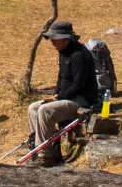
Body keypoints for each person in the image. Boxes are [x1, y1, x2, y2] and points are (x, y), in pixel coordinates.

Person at [27, 21, 100, 166]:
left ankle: (45, 156)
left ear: (66, 39)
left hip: (82, 100)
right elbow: (61, 78)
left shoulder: (78, 55)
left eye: (55, 39)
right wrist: (55, 94)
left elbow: (78, 86)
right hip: (67, 96)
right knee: (33, 108)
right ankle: (39, 146)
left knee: (45, 111)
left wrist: (59, 97)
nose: (52, 42)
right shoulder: (63, 52)